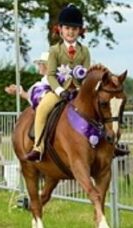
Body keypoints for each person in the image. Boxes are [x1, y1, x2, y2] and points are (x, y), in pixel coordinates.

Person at [25, 3, 91, 162]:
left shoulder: (85, 51)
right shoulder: (54, 50)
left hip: (79, 90)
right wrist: (60, 91)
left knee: (99, 108)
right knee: (42, 108)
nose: (71, 32)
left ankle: (108, 143)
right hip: (59, 90)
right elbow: (51, 75)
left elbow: (86, 73)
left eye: (74, 29)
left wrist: (83, 85)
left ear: (79, 31)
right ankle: (38, 147)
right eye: (67, 29)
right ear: (60, 29)